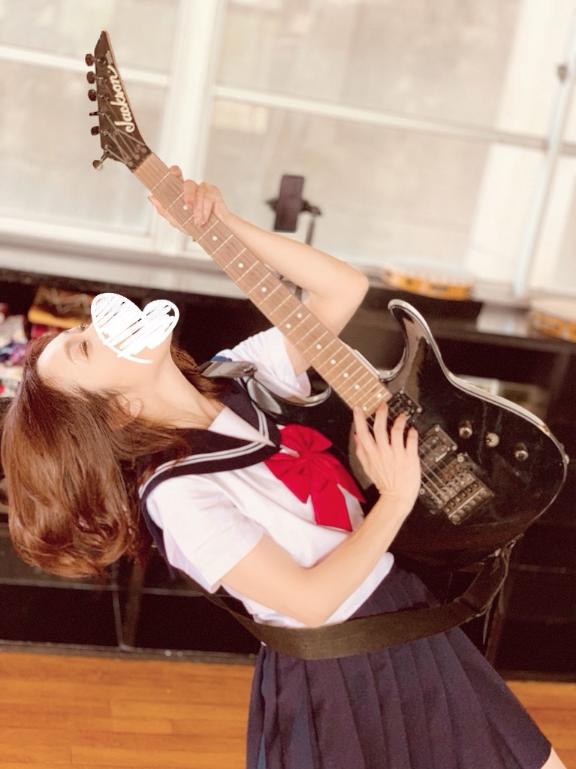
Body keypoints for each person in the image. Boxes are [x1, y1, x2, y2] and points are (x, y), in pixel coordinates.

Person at [0, 166, 566, 769]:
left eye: (83, 329)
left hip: (405, 616)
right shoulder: (176, 494)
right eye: (86, 347)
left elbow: (340, 290)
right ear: (117, 412)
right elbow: (310, 602)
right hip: (342, 675)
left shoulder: (240, 376)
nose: (100, 325)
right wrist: (397, 497)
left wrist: (221, 225)